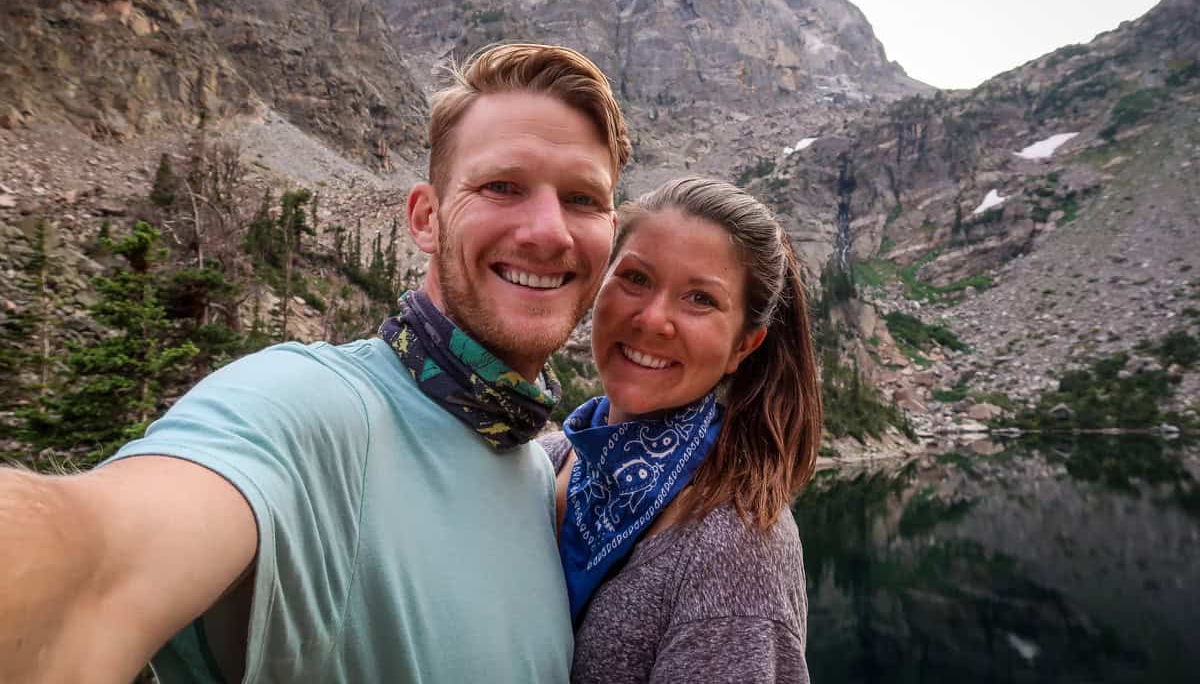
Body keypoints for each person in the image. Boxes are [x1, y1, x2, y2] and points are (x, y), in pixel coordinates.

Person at [0, 43, 631, 684]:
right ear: (426, 218)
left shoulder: (535, 475)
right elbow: (92, 562)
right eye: (502, 186)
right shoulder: (312, 409)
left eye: (583, 199)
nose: (549, 231)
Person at [538, 177, 823, 683]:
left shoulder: (737, 545)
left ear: (744, 347)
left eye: (699, 299)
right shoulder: (545, 458)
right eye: (635, 279)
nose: (652, 320)